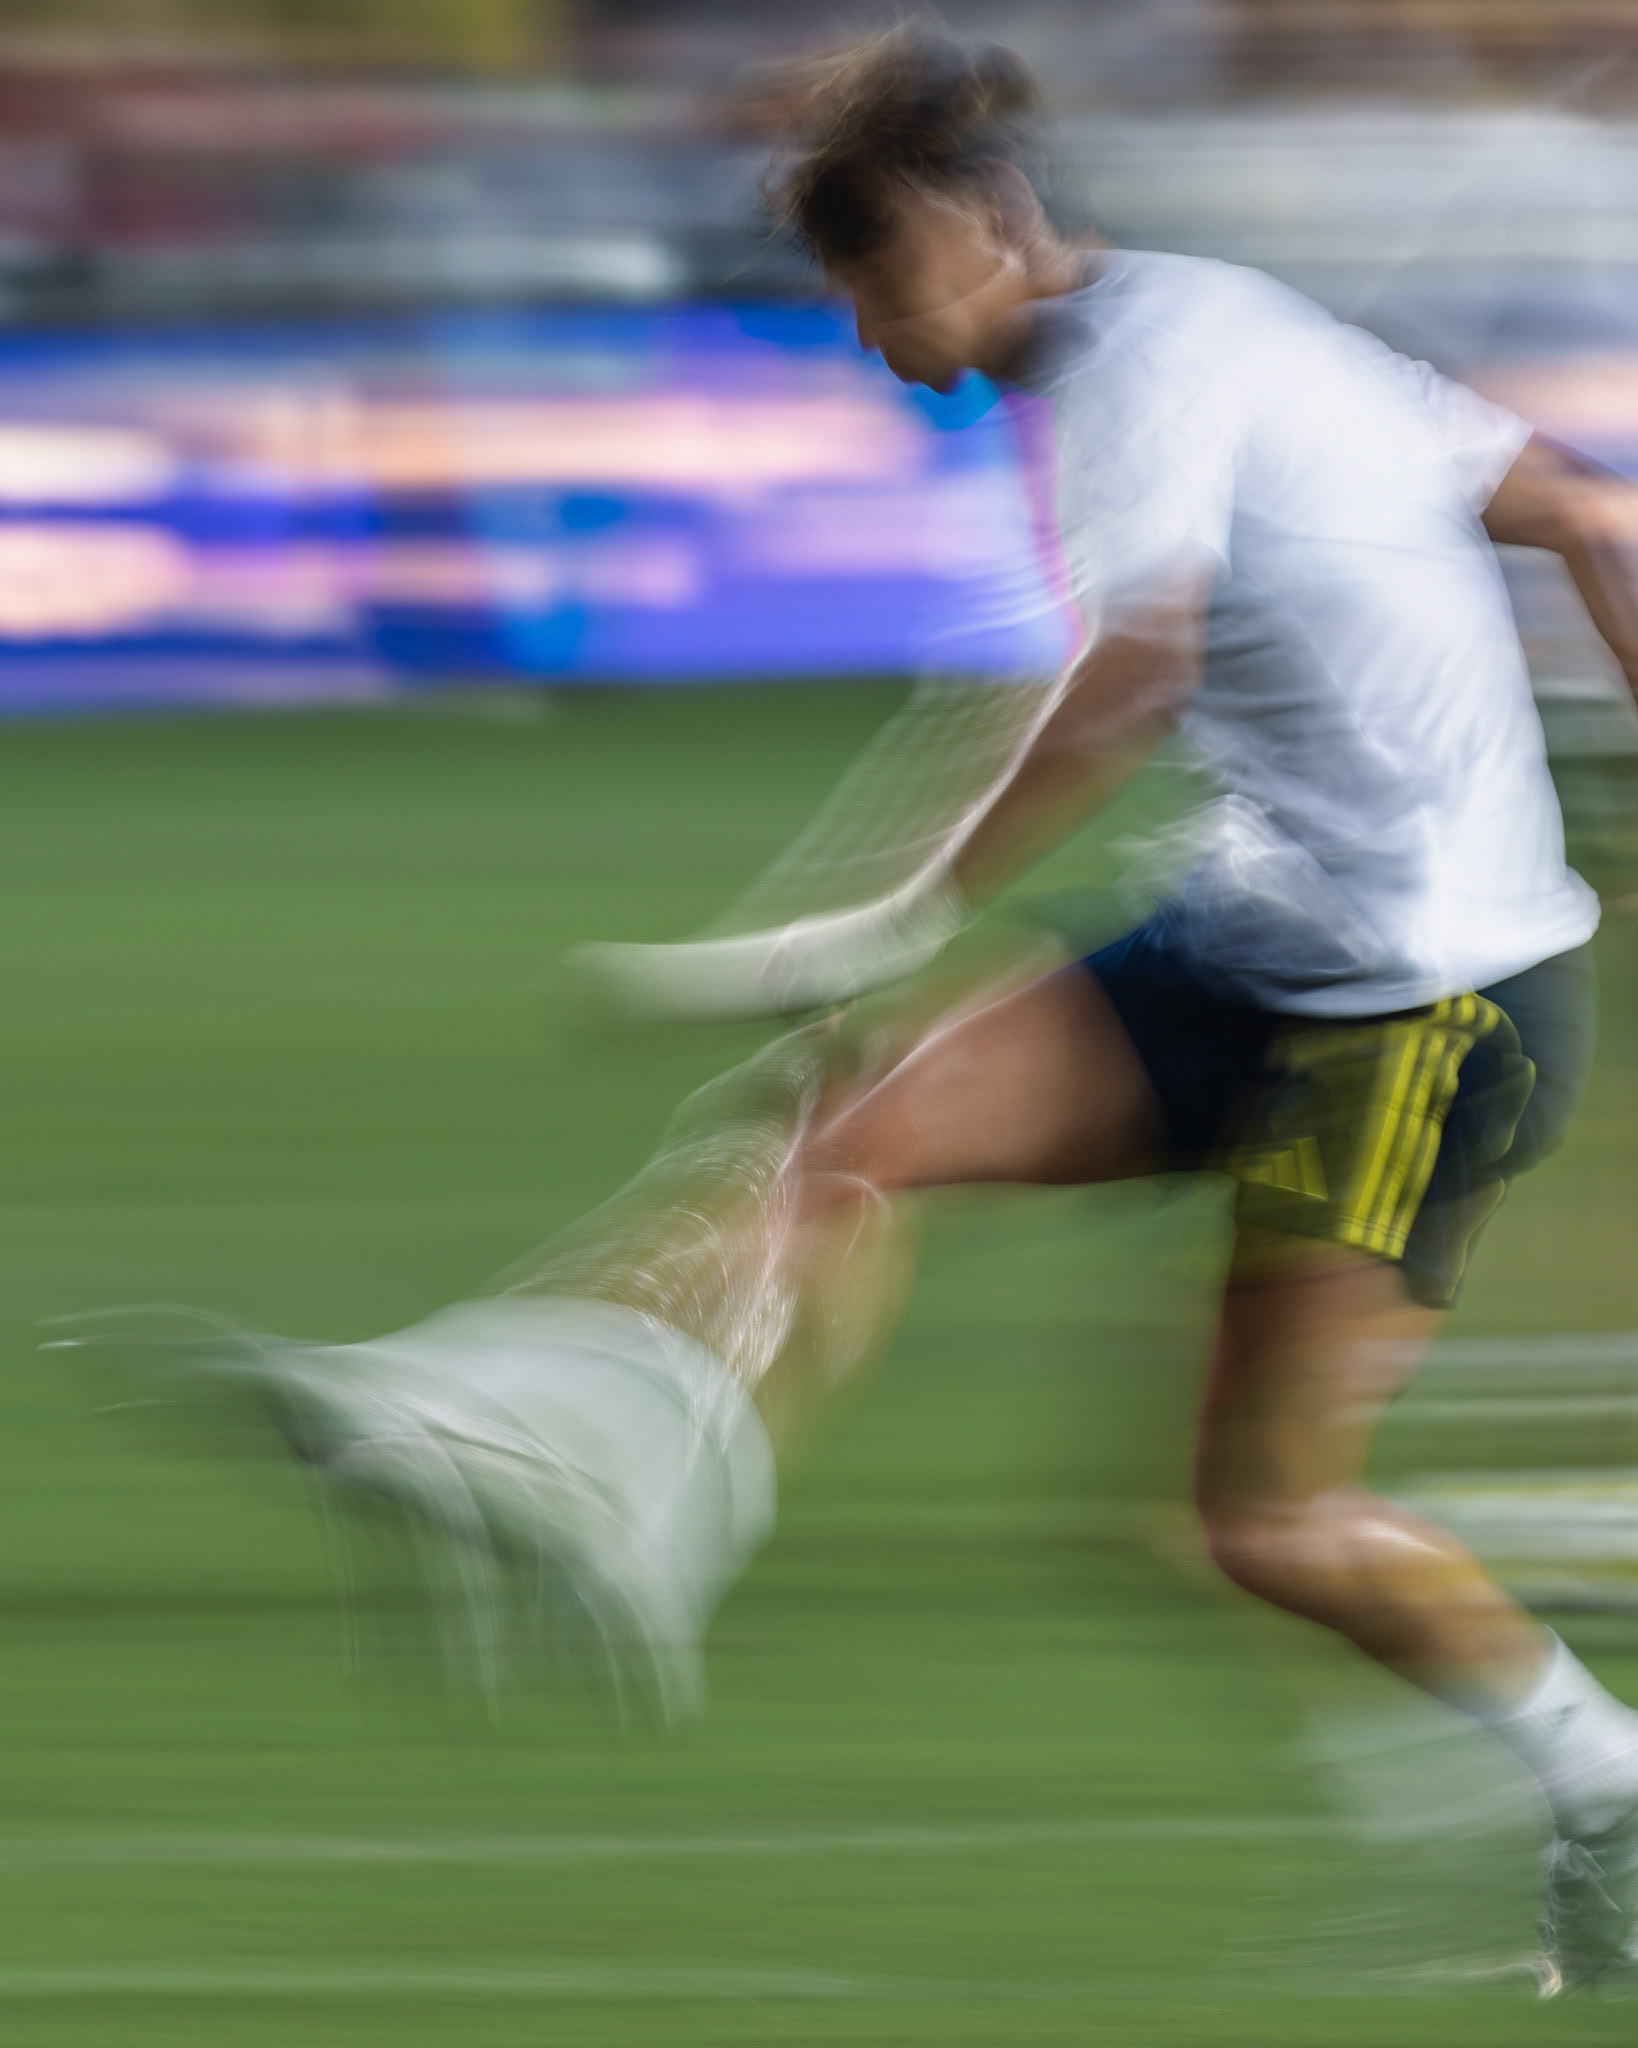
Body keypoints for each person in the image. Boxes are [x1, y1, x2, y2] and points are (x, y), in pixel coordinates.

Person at [145, 24, 1638, 1993]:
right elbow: (1590, 513)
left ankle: (1602, 1766)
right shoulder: (1222, 325)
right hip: (1260, 937)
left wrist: (890, 906)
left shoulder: (1144, 370)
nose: (861, 334)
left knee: (1262, 1522)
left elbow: (1124, 678)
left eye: (868, 280)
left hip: (1424, 1007)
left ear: (975, 223)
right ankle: (584, 1463)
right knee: (840, 1125)